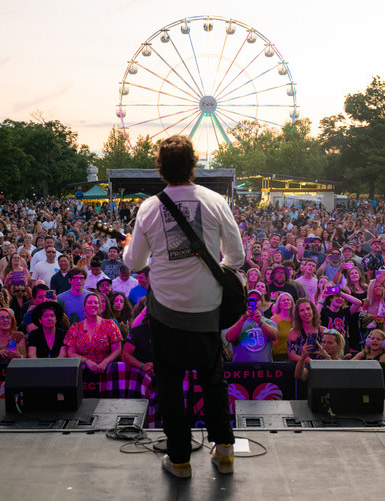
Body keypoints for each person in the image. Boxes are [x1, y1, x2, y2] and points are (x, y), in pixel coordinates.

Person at [123, 135, 242, 477]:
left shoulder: (149, 207)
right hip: (208, 310)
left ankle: (179, 460)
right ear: (194, 164)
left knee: (170, 384)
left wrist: (137, 245)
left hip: (166, 312)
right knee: (213, 379)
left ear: (160, 168)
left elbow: (134, 260)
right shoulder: (216, 200)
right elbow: (237, 257)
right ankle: (225, 451)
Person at [64, 293, 122, 372]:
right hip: (83, 372)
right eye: (89, 302)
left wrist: (105, 362)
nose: (93, 305)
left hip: (107, 370)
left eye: (96, 302)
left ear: (99, 306)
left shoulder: (110, 324)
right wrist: (87, 361)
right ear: (84, 306)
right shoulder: (75, 327)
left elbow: (117, 349)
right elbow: (70, 352)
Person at [224, 290, 278, 363]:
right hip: (241, 369)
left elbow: (274, 336)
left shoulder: (268, 322)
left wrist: (260, 322)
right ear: (246, 303)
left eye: (257, 300)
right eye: (251, 300)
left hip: (264, 369)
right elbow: (229, 338)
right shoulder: (237, 322)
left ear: (261, 304)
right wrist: (242, 319)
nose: (254, 302)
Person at [122, 299, 153, 376]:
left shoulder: (169, 332)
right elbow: (125, 355)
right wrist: (143, 366)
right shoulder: (138, 330)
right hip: (140, 372)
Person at [270, 292, 295, 361]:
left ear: (292, 304)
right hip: (278, 357)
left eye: (288, 300)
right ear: (279, 305)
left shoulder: (296, 320)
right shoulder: (274, 319)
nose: (286, 301)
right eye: (283, 300)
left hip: (294, 357)